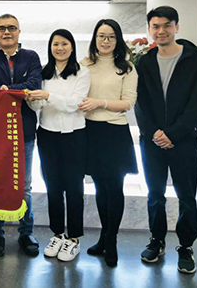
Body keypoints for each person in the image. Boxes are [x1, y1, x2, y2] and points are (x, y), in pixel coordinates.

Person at [135, 6, 197, 274]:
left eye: (167, 25)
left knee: (186, 195)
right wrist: (154, 133)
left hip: (184, 141)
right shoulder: (144, 61)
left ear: (176, 27)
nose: (161, 31)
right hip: (152, 141)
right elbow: (140, 102)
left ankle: (186, 246)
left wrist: (173, 134)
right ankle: (157, 240)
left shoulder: (196, 59)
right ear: (149, 29)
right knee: (155, 195)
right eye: (155, 26)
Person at [0, 13, 42, 258]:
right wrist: (13, 91)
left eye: (12, 28)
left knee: (24, 186)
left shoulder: (31, 57)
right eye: (2, 28)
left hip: (24, 131)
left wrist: (4, 90)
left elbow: (34, 84)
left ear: (19, 32)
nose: (7, 32)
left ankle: (26, 233)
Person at [26, 29, 90, 262]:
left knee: (74, 187)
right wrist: (32, 99)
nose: (60, 48)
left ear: (72, 46)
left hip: (74, 135)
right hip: (47, 134)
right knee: (52, 186)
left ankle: (73, 239)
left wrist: (47, 96)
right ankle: (57, 235)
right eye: (55, 44)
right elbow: (37, 107)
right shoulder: (43, 72)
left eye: (64, 44)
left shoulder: (82, 72)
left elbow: (75, 104)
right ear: (50, 47)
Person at [79, 19, 138, 267]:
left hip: (115, 133)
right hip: (90, 131)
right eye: (101, 36)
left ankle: (111, 240)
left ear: (118, 39)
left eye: (111, 36)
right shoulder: (84, 65)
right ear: (95, 38)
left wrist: (100, 102)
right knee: (100, 187)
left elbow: (128, 102)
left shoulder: (127, 68)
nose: (106, 41)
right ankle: (104, 237)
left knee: (115, 188)